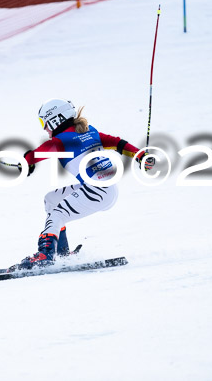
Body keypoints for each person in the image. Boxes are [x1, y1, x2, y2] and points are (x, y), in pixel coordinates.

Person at [18, 98, 154, 269]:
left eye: (43, 123)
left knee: (57, 214)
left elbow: (35, 155)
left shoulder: (61, 140)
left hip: (97, 191)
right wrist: (140, 155)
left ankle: (45, 255)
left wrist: (26, 161)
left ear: (55, 119)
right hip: (105, 189)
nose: (44, 128)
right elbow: (117, 143)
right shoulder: (90, 131)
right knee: (51, 200)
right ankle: (62, 253)